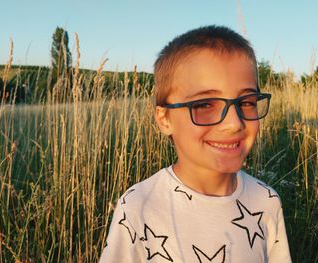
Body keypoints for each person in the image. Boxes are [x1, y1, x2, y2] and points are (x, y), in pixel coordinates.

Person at [99, 25, 291, 263]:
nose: (234, 123)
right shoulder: (140, 205)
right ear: (164, 119)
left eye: (247, 102)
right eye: (204, 105)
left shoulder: (266, 200)